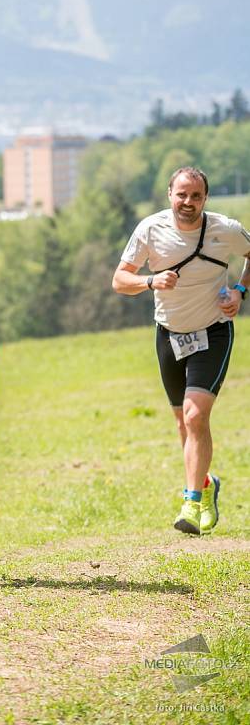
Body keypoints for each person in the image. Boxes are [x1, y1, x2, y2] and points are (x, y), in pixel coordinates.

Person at [112, 166, 250, 535]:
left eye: (196, 196)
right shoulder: (150, 230)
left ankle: (191, 501)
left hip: (213, 333)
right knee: (182, 422)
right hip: (169, 335)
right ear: (169, 195)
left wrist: (240, 292)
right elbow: (119, 280)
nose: (188, 202)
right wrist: (150, 280)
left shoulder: (225, 229)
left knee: (194, 416)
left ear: (205, 199)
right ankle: (206, 483)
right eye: (182, 195)